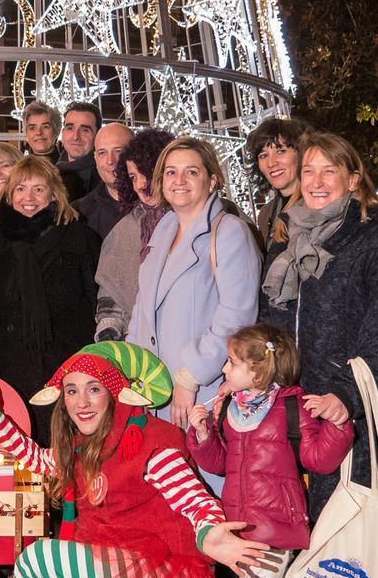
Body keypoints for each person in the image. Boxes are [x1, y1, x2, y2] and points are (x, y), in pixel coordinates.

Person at [0, 342, 270, 577]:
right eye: (72, 391)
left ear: (113, 393)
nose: (81, 402)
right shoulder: (81, 446)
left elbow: (193, 500)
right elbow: (39, 460)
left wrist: (210, 531)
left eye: (93, 389)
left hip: (166, 566)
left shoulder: (151, 442)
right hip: (114, 558)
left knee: (37, 558)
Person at [259, 131, 378, 520]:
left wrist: (347, 395)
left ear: (352, 179)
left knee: (349, 534)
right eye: (308, 171)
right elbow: (270, 324)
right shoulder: (288, 240)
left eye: (328, 171)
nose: (315, 182)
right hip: (294, 409)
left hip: (350, 409)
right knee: (299, 530)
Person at [127, 136, 262, 496]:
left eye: (191, 171)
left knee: (207, 488)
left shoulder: (229, 232)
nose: (179, 180)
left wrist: (190, 377)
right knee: (168, 492)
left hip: (201, 391)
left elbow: (237, 315)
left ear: (212, 180)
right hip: (155, 390)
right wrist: (130, 367)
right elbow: (143, 308)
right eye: (170, 172)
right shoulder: (163, 229)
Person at [188, 324, 354, 575]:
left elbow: (319, 461)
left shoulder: (291, 407)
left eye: (231, 362)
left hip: (276, 533)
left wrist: (336, 424)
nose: (223, 369)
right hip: (235, 529)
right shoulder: (231, 409)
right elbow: (221, 465)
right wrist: (203, 434)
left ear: (257, 372)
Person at [0, 156, 100, 445]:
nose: (28, 198)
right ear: (9, 195)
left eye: (38, 189)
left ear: (53, 193)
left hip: (65, 365)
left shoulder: (79, 238)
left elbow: (95, 301)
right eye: (20, 189)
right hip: (9, 368)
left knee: (65, 449)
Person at [94, 128, 175, 342]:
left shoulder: (210, 217)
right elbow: (112, 294)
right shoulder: (126, 229)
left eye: (147, 172)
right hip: (141, 353)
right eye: (133, 176)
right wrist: (108, 331)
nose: (141, 184)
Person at [245, 119, 307, 248]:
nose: (271, 163)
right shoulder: (266, 215)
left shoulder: (316, 204)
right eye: (263, 155)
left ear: (300, 154)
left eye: (280, 151)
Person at [73, 121, 132, 238]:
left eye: (118, 151)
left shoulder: (154, 203)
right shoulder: (79, 212)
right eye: (102, 153)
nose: (110, 161)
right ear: (95, 158)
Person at [57, 101, 102, 199]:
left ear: (98, 135)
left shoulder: (105, 177)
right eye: (70, 128)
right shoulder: (50, 172)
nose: (75, 137)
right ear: (63, 133)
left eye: (85, 130)